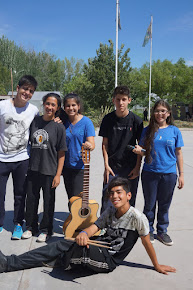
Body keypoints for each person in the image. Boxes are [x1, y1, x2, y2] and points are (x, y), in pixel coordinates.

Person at [0, 177, 176, 275]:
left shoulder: (138, 218)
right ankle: (10, 262)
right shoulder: (110, 211)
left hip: (108, 260)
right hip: (95, 246)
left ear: (128, 195)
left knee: (64, 252)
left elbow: (146, 243)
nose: (115, 196)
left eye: (119, 193)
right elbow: (95, 228)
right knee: (62, 245)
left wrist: (157, 265)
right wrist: (84, 232)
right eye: (112, 193)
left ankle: (13, 263)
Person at [133, 100, 184, 246]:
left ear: (168, 114)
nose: (160, 114)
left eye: (163, 111)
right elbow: (142, 152)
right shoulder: (147, 131)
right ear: (153, 113)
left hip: (169, 174)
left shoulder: (174, 131)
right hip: (150, 173)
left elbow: (178, 154)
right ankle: (148, 230)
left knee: (164, 204)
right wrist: (138, 160)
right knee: (149, 204)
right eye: (157, 111)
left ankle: (162, 231)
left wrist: (181, 174)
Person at [21, 93, 67, 242]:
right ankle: (30, 227)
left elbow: (61, 153)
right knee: (31, 200)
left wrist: (57, 175)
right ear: (43, 104)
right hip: (33, 169)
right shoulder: (34, 122)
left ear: (57, 108)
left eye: (53, 105)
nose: (50, 107)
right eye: (47, 104)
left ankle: (46, 230)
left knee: (48, 202)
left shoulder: (59, 127)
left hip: (49, 170)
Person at [0, 75, 38, 239]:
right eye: (25, 89)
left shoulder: (33, 110)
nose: (27, 93)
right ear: (17, 88)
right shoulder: (2, 106)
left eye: (31, 91)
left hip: (22, 159)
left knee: (20, 194)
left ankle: (17, 224)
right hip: (1, 158)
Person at [99, 86, 143, 212]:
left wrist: (137, 167)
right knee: (108, 198)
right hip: (112, 167)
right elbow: (104, 144)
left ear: (129, 100)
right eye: (118, 99)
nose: (121, 103)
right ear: (113, 100)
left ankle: (126, 227)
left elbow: (140, 147)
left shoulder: (137, 121)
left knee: (128, 199)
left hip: (130, 167)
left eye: (124, 99)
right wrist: (106, 165)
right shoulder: (108, 119)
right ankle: (106, 228)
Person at [62, 93, 95, 200]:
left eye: (73, 105)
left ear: (78, 106)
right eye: (68, 106)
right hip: (66, 166)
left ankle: (77, 216)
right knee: (71, 197)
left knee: (78, 198)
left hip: (80, 166)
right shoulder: (62, 122)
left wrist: (89, 145)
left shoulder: (86, 122)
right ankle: (72, 216)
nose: (71, 108)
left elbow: (92, 144)